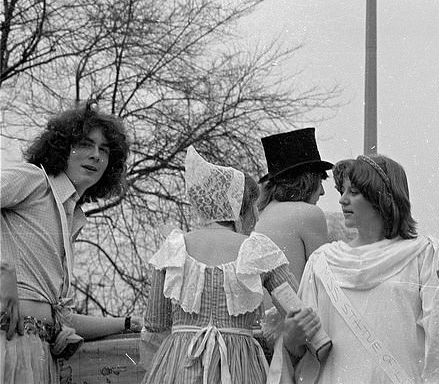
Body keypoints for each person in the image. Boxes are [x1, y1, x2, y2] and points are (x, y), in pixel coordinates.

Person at [291, 154, 439, 384]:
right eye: (342, 191)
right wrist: (291, 334)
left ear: (380, 197)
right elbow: (307, 349)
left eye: (354, 192)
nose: (342, 200)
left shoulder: (422, 254)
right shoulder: (322, 262)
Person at [141, 146, 320, 384]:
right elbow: (297, 309)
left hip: (180, 365)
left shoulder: (174, 248)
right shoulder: (257, 250)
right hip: (240, 365)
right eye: (254, 208)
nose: (257, 217)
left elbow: (155, 321)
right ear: (239, 208)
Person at [1, 100, 141, 384]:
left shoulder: (72, 217)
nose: (96, 156)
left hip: (37, 357)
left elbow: (64, 319)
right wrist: (3, 270)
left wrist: (127, 323)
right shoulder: (34, 179)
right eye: (86, 144)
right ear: (62, 147)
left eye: (104, 150)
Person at [255, 128, 333, 284]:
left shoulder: (260, 213)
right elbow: (325, 281)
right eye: (320, 182)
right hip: (295, 307)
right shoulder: (309, 214)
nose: (322, 192)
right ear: (307, 181)